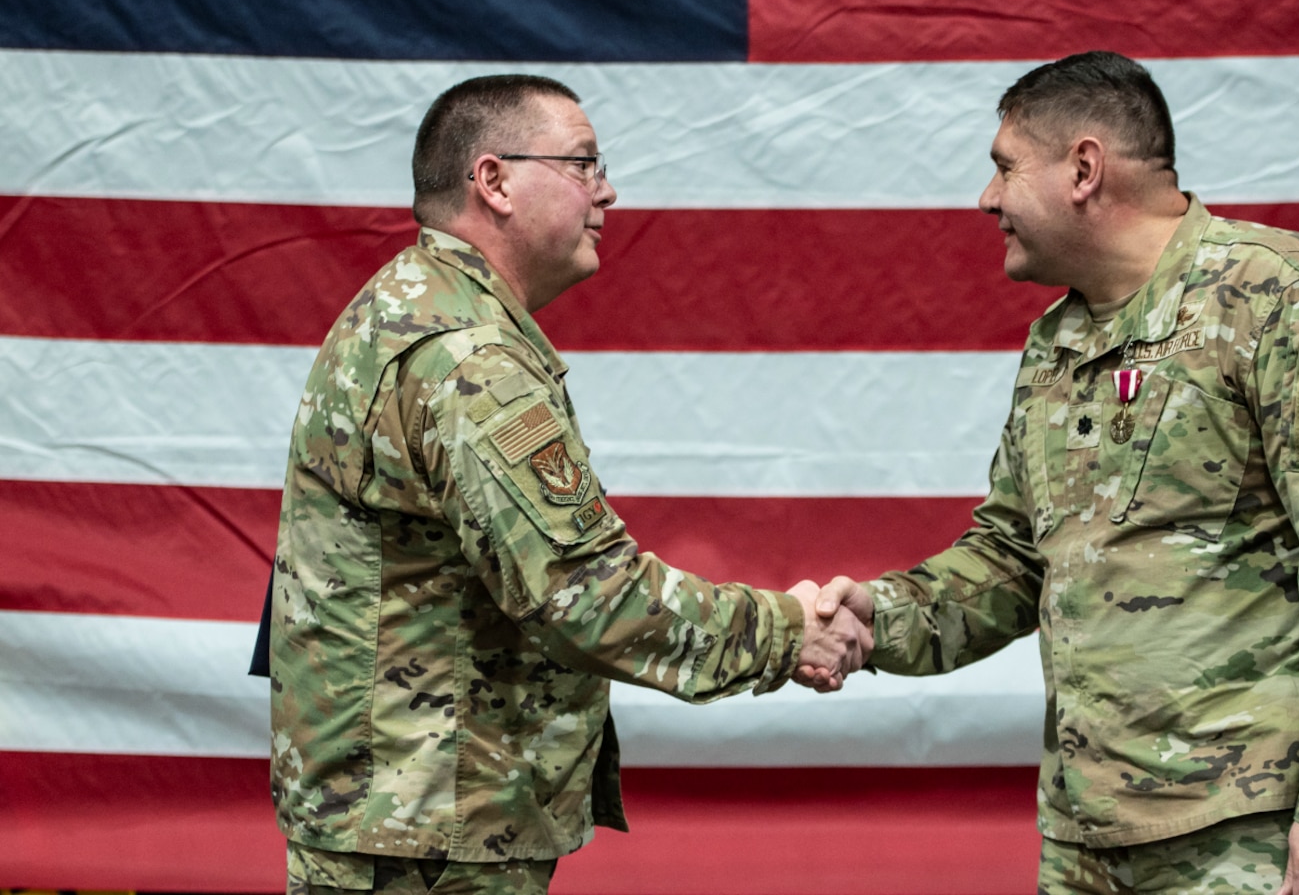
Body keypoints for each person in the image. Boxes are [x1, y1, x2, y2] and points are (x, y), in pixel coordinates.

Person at [806, 52, 1299, 895]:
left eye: (1003, 167)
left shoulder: (1284, 299)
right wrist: (873, 619)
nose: (985, 198)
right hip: (1087, 834)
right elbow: (1013, 561)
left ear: (1083, 168)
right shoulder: (1057, 341)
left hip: (1249, 831)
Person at [269, 74, 870, 895]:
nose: (607, 190)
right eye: (584, 164)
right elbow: (587, 597)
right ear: (494, 181)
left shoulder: (409, 305)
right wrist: (785, 632)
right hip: (426, 837)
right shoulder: (466, 355)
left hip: (405, 816)